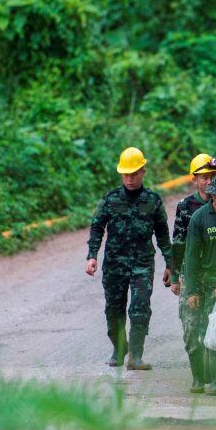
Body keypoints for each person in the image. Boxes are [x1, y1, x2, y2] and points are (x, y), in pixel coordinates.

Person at [86, 147, 172, 370]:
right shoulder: (110, 199)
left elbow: (163, 233)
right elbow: (97, 228)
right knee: (114, 309)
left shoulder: (153, 200)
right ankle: (119, 349)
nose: (130, 178)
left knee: (140, 308)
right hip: (115, 265)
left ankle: (135, 355)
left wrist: (171, 264)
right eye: (126, 174)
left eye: (134, 173)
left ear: (143, 171)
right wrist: (92, 256)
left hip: (142, 264)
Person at [184, 174, 216, 396]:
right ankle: (207, 379)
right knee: (208, 330)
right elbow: (192, 256)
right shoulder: (199, 218)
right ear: (212, 196)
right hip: (208, 283)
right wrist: (193, 290)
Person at [171, 154, 216, 391]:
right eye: (203, 178)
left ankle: (212, 372)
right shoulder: (185, 206)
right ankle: (198, 376)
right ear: (194, 180)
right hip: (190, 274)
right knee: (190, 328)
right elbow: (178, 241)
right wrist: (174, 274)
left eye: (211, 177)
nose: (208, 182)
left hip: (215, 275)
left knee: (213, 326)